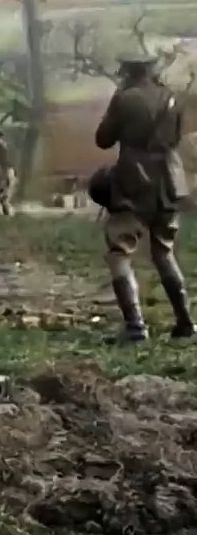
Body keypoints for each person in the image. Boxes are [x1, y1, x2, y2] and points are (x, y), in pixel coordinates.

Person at [93, 55, 191, 344]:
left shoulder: (124, 98)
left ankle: (135, 327)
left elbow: (103, 139)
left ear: (127, 72)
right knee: (164, 251)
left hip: (134, 183)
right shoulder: (171, 97)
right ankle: (185, 323)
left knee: (120, 251)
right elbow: (175, 138)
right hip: (169, 182)